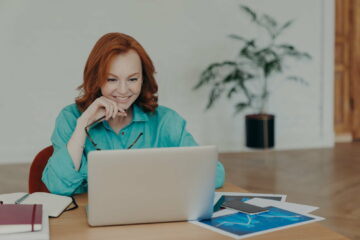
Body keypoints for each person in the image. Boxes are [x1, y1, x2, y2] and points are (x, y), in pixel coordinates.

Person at [42, 32, 225, 196]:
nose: (123, 90)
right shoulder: (70, 118)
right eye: (112, 79)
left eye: (132, 79)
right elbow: (58, 186)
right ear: (96, 79)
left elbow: (215, 174)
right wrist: (82, 126)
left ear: (143, 78)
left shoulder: (166, 121)